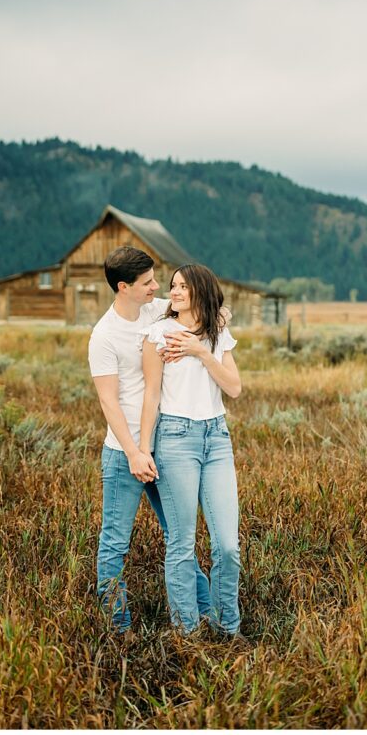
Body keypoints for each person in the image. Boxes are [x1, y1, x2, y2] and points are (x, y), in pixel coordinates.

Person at [88, 246, 211, 633]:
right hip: (125, 455)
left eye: (156, 280)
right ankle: (118, 629)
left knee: (179, 539)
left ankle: (206, 613)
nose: (157, 288)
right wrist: (134, 453)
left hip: (166, 449)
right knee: (114, 544)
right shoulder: (103, 336)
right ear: (123, 287)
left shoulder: (157, 309)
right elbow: (109, 402)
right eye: (147, 283)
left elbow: (211, 310)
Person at [138, 263, 243, 637]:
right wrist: (143, 448)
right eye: (172, 286)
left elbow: (234, 388)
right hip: (176, 439)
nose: (174, 292)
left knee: (228, 546)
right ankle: (187, 632)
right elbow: (151, 394)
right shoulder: (159, 334)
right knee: (182, 543)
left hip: (217, 438)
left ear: (199, 290)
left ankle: (227, 629)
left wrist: (201, 350)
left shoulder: (217, 333)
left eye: (182, 286)